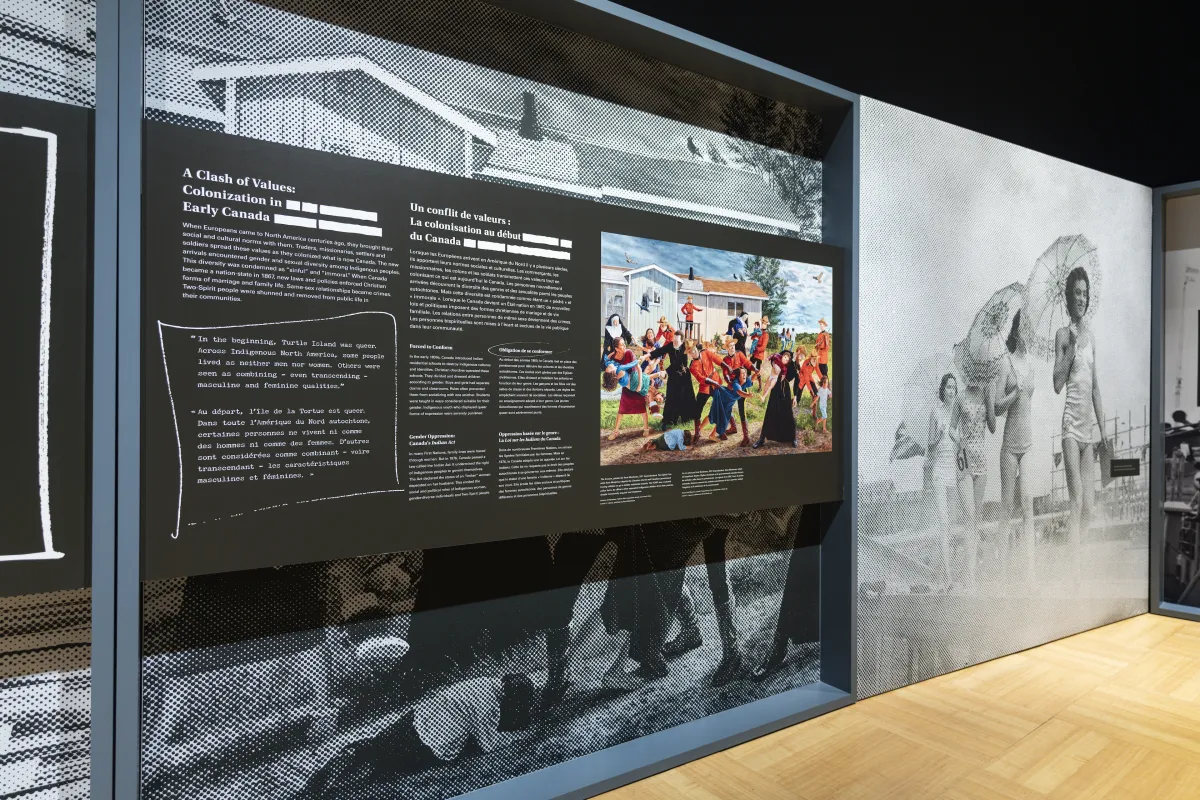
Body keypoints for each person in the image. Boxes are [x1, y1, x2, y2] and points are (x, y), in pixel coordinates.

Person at [300, 673, 540, 797]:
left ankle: (321, 783)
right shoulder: (489, 704)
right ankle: (345, 786)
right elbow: (488, 745)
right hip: (427, 745)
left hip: (415, 718)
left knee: (369, 748)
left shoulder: (483, 682)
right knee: (382, 771)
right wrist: (518, 738)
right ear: (512, 697)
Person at [1053, 266, 1107, 579]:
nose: (1082, 298)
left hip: (1088, 430)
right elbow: (1057, 383)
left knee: (1089, 509)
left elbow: (1096, 386)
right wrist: (1071, 347)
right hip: (1071, 428)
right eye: (1077, 293)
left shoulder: (1093, 337)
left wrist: (1104, 430)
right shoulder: (1063, 335)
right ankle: (1074, 576)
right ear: (1068, 298)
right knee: (1075, 502)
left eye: (1085, 293)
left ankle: (1073, 562)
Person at [987, 310, 1036, 584]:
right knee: (1006, 507)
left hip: (1028, 443)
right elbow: (996, 406)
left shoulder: (1031, 365)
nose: (1027, 334)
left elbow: (1029, 404)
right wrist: (1015, 392)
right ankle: (1003, 572)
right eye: (1023, 329)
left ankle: (1030, 574)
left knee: (1028, 502)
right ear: (1016, 332)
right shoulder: (1006, 363)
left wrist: (1023, 391)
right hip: (1009, 446)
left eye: (1030, 330)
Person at [953, 375, 988, 588]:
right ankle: (970, 576)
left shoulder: (985, 395)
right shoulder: (959, 397)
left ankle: (972, 572)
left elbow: (992, 424)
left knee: (977, 517)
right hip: (963, 456)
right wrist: (960, 441)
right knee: (969, 515)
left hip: (982, 459)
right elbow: (951, 428)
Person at [926, 374, 960, 584]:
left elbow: (961, 443)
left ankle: (945, 569)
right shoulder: (935, 412)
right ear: (942, 390)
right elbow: (929, 445)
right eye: (949, 387)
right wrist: (939, 435)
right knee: (943, 521)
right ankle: (947, 575)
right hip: (939, 469)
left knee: (952, 522)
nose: (952, 391)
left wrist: (957, 438)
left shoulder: (957, 413)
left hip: (953, 471)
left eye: (954, 388)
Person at [649, 336, 699, 428]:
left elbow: (681, 362)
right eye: (674, 340)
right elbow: (661, 351)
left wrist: (665, 371)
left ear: (681, 341)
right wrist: (649, 355)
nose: (675, 342)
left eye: (677, 341)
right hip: (673, 376)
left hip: (684, 377)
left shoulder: (685, 348)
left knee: (686, 397)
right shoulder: (671, 346)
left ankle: (688, 418)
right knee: (672, 397)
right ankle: (669, 420)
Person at [607, 339, 651, 440]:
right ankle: (616, 432)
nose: (625, 346)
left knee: (641, 407)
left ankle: (646, 428)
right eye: (622, 345)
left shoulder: (629, 353)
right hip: (626, 386)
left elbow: (639, 369)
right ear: (617, 348)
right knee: (621, 409)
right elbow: (612, 376)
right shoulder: (613, 358)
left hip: (636, 381)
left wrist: (640, 385)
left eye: (624, 344)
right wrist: (618, 377)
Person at [754, 351, 797, 448]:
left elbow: (797, 380)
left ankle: (793, 437)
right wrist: (773, 364)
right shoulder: (786, 353)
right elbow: (774, 358)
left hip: (785, 390)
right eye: (799, 354)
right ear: (796, 352)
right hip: (775, 387)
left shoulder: (796, 365)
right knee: (770, 411)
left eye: (801, 356)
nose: (800, 357)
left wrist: (795, 396)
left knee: (787, 413)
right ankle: (762, 438)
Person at [704, 365, 754, 442]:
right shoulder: (735, 383)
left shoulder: (745, 381)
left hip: (729, 402)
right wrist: (748, 395)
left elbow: (752, 379)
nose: (745, 375)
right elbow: (740, 392)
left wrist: (757, 373)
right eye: (742, 373)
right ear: (738, 376)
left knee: (723, 417)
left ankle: (712, 435)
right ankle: (699, 431)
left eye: (745, 373)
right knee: (714, 414)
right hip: (724, 397)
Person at [721, 335, 754, 446]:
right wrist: (728, 383)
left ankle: (746, 437)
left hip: (742, 386)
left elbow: (747, 363)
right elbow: (725, 374)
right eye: (730, 346)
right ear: (727, 348)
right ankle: (733, 427)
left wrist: (754, 369)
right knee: (727, 405)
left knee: (741, 409)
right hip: (732, 387)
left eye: (733, 345)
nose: (732, 347)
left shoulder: (740, 354)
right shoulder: (725, 360)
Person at [690, 340, 721, 442]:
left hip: (716, 382)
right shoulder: (692, 366)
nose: (693, 353)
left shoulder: (705, 352)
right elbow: (700, 378)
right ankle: (697, 433)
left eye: (694, 350)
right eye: (691, 352)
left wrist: (726, 366)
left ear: (697, 349)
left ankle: (727, 428)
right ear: (689, 354)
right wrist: (712, 382)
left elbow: (717, 360)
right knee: (696, 409)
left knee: (722, 405)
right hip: (705, 387)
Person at [751, 315, 771, 390]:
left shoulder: (766, 335)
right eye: (762, 322)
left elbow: (763, 347)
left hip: (759, 354)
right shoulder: (758, 331)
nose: (763, 324)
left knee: (757, 371)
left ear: (766, 325)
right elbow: (752, 338)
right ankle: (750, 382)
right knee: (748, 366)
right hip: (754, 353)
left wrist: (756, 348)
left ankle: (760, 386)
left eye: (764, 323)